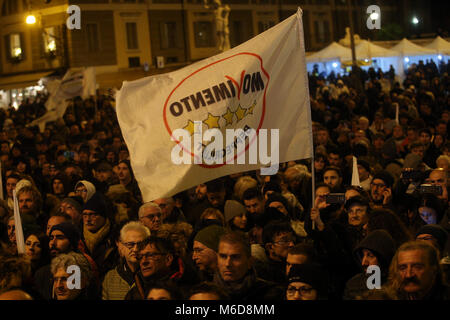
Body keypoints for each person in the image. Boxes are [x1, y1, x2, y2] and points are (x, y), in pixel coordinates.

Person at [212, 231, 283, 301]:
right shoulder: (207, 292)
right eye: (223, 256)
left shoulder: (269, 293)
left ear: (250, 262)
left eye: (235, 257)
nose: (227, 264)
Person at [102, 221, 150, 300]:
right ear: (121, 246)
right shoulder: (110, 277)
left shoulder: (155, 275)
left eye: (141, 244)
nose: (135, 249)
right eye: (130, 245)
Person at [343, 230, 396, 300]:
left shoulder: (397, 285)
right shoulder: (353, 285)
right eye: (362, 256)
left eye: (370, 256)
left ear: (383, 257)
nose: (363, 262)